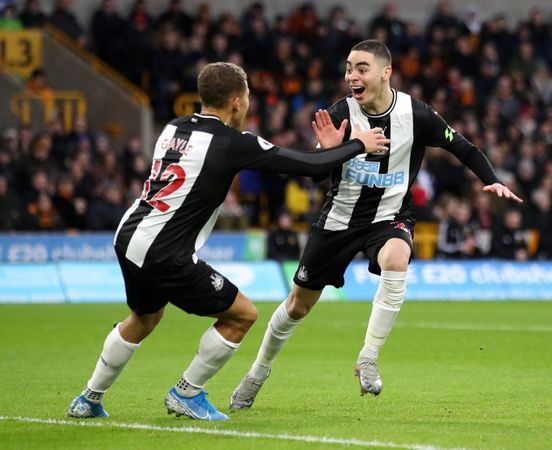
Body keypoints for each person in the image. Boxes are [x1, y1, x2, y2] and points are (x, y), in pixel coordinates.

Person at [66, 61, 390, 421]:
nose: (249, 105)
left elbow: (308, 163)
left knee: (143, 318)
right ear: (237, 102)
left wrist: (323, 153)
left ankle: (88, 398)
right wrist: (356, 145)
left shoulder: (174, 127)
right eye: (248, 98)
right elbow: (307, 167)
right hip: (164, 249)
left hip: (129, 236)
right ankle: (186, 392)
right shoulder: (232, 143)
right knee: (242, 315)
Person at [230, 40, 522, 411]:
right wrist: (326, 150)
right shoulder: (340, 112)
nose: (352, 75)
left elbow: (462, 146)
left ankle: (367, 358)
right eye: (349, 67)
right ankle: (257, 373)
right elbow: (316, 176)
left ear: (386, 73)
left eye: (361, 68)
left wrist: (491, 178)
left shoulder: (416, 115)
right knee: (297, 306)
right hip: (338, 220)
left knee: (398, 259)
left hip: (390, 216)